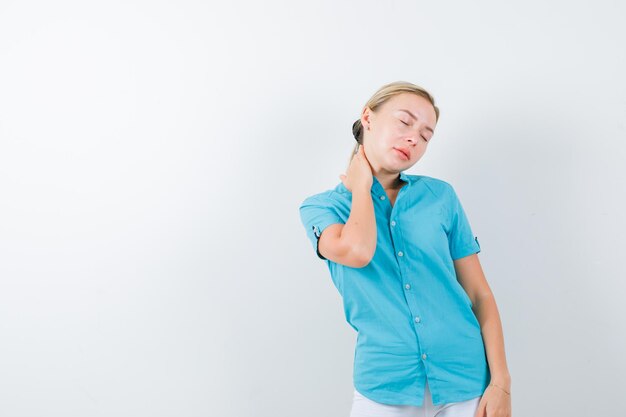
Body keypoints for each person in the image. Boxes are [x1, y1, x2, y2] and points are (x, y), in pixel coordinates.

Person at [298, 81, 512, 417]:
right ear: (367, 117)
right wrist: (361, 187)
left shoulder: (441, 197)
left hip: (466, 382)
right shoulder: (321, 209)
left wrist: (500, 383)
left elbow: (479, 294)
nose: (414, 137)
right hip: (385, 385)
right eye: (404, 122)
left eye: (426, 135)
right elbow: (358, 251)